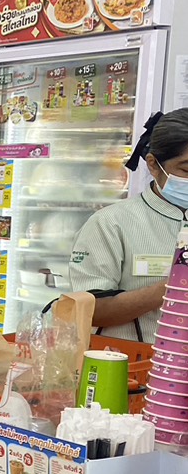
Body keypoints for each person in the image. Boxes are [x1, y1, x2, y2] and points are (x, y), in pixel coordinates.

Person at [69, 108, 188, 342]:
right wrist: (174, 286)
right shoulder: (111, 224)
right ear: (153, 165)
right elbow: (91, 311)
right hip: (132, 360)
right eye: (186, 169)